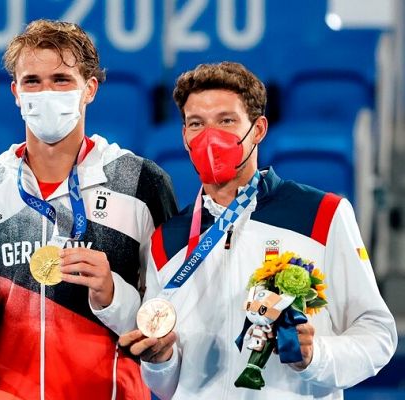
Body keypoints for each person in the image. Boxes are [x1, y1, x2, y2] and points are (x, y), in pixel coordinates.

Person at [118, 61, 397, 399]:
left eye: (226, 121)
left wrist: (315, 355)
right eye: (196, 124)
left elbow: (378, 335)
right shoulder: (167, 240)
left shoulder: (322, 215)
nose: (210, 136)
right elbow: (166, 386)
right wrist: (160, 359)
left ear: (259, 129)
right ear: (184, 136)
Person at [0, 19, 178, 399]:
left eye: (61, 79)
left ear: (89, 89)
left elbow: (171, 315)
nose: (45, 93)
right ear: (15, 92)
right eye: (32, 81)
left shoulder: (140, 182)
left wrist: (113, 296)